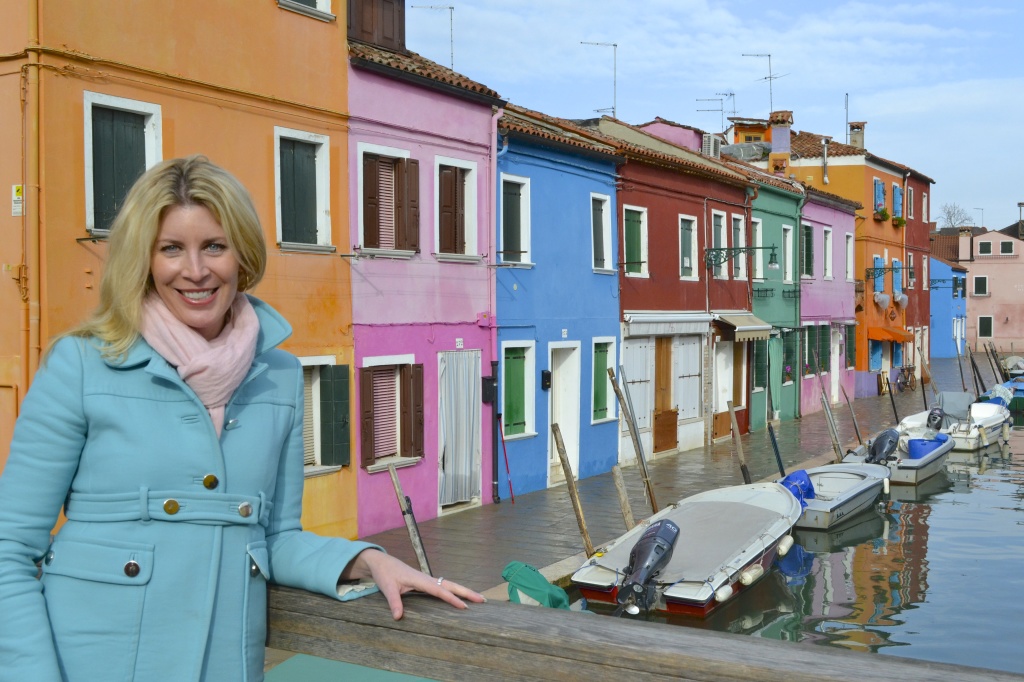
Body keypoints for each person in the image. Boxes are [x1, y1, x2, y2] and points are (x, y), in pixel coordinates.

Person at [0, 155, 483, 681]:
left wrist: (369, 561)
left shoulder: (279, 375)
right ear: (143, 259)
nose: (196, 270)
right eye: (171, 249)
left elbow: (276, 537)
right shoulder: (82, 365)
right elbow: (9, 549)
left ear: (242, 254)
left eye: (214, 246)